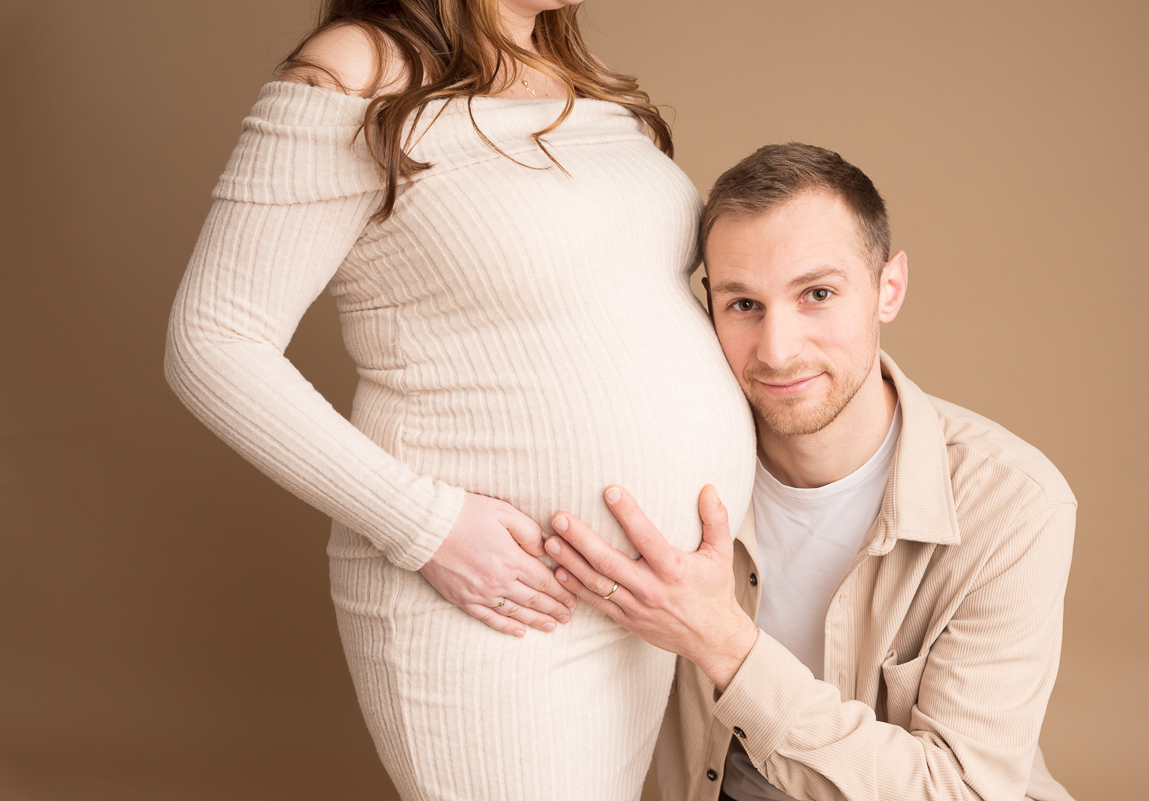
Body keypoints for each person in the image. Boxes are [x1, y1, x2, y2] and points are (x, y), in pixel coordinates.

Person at [163, 1, 756, 799]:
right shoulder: (357, 67)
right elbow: (212, 339)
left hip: (639, 598)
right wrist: (426, 525)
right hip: (497, 602)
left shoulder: (568, 69)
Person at [546, 143, 1076, 801]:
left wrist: (725, 644)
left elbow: (958, 791)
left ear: (889, 288)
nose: (777, 348)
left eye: (817, 294)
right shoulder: (667, 477)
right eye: (744, 304)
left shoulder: (1012, 504)